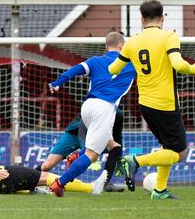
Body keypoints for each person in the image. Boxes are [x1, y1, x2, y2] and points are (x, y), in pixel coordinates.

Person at [109, 0, 195, 199]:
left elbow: (113, 69)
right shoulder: (169, 36)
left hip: (145, 105)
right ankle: (135, 161)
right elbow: (179, 65)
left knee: (167, 147)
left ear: (142, 18)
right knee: (180, 153)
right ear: (163, 17)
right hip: (166, 104)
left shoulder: (132, 42)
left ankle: (159, 190)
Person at [47, 32, 136, 197]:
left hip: (87, 107)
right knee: (92, 155)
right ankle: (58, 184)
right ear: (122, 46)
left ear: (106, 46)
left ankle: (76, 157)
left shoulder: (95, 60)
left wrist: (58, 82)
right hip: (105, 109)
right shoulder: (132, 64)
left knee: (112, 146)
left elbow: (76, 70)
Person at [39, 113, 125, 192]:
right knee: (46, 166)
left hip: (94, 137)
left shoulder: (117, 116)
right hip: (74, 133)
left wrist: (119, 159)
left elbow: (118, 140)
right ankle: (30, 180)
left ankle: (105, 183)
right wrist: (81, 153)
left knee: (114, 147)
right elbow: (82, 130)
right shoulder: (97, 107)